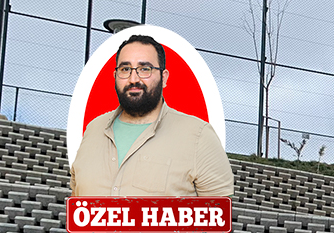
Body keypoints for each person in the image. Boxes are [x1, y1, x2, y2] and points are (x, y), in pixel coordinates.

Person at [70, 34, 233, 197]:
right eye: (125, 69)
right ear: (115, 76)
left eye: (144, 69)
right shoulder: (93, 130)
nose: (133, 79)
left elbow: (218, 217)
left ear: (164, 78)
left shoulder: (199, 136)